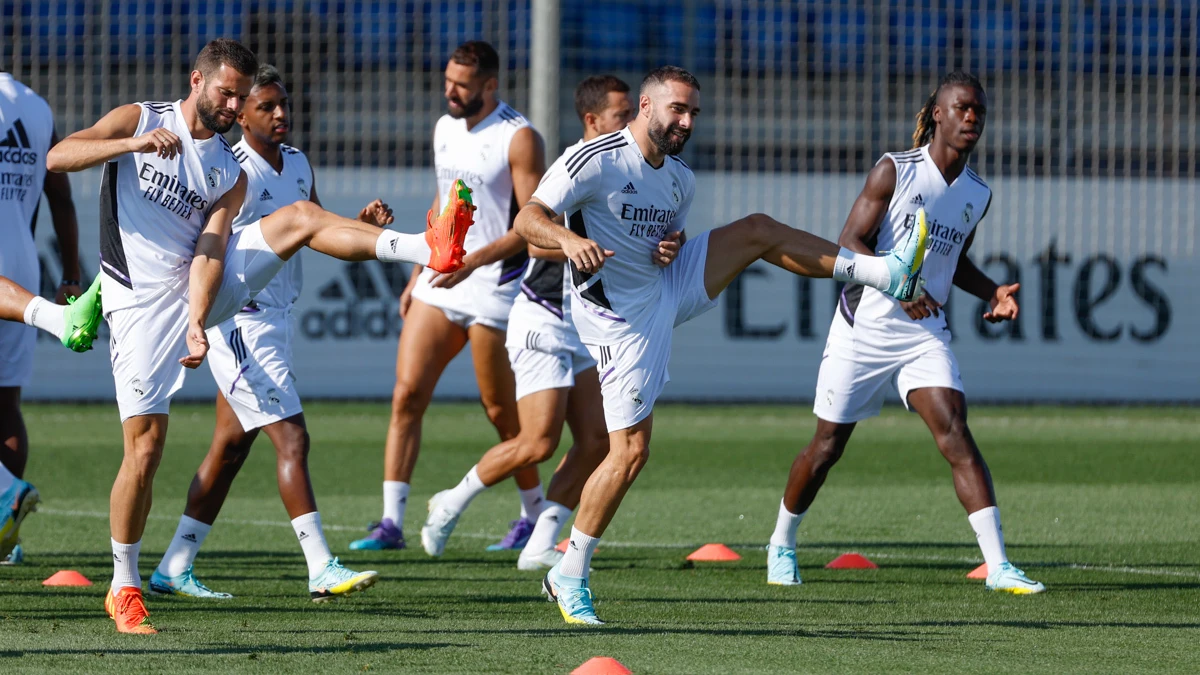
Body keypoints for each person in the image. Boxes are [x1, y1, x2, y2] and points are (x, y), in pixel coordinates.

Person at [46, 39, 471, 634]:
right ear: (196, 80)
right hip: (137, 303)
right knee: (144, 450)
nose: (234, 106)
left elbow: (210, 251)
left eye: (242, 97)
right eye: (228, 93)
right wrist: (132, 144)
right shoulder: (141, 119)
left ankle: (429, 250)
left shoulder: (228, 169)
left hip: (200, 285)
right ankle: (125, 583)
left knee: (298, 217)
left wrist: (198, 320)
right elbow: (59, 157)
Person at [516, 65, 928, 624]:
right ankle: (569, 573)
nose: (686, 121)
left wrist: (670, 244)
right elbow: (528, 218)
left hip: (664, 286)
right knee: (630, 453)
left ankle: (883, 274)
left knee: (757, 228)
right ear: (645, 106)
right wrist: (567, 238)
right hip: (618, 320)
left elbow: (665, 238)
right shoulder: (595, 158)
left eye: (693, 113)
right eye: (676, 109)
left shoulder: (681, 178)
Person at [765, 71, 1044, 595]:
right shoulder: (894, 170)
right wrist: (901, 288)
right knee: (826, 447)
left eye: (978, 111)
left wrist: (990, 293)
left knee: (956, 432)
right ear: (937, 114)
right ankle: (781, 543)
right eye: (961, 108)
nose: (971, 118)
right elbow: (849, 241)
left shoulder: (977, 193)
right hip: (864, 326)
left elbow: (953, 259)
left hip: (924, 331)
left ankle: (999, 565)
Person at [149, 65, 387, 603]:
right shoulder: (231, 169)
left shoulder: (298, 163)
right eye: (266, 106)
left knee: (229, 450)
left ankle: (172, 567)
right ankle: (321, 566)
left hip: (278, 321)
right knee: (294, 438)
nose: (280, 114)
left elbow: (314, 231)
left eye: (284, 103)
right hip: (242, 320)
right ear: (241, 115)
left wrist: (362, 224)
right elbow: (207, 250)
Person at [419, 75, 634, 569]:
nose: (631, 125)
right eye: (623, 116)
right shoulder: (572, 167)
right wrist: (573, 244)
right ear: (593, 120)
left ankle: (540, 543)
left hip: (586, 322)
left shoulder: (627, 169)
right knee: (538, 442)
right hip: (544, 315)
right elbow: (532, 236)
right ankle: (450, 501)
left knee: (598, 442)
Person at [351, 40, 546, 553]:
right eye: (447, 81)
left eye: (461, 84)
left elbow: (533, 225)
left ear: (489, 85)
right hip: (443, 277)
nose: (450, 91)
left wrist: (473, 261)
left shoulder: (518, 137)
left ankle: (533, 514)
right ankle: (390, 524)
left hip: (492, 286)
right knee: (407, 394)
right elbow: (444, 196)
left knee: (501, 411)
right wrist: (419, 271)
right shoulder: (444, 127)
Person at [0, 70, 86, 564]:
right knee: (6, 401)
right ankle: (5, 536)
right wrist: (70, 274)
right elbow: (60, 198)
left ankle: (3, 498)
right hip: (22, 268)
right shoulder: (35, 105)